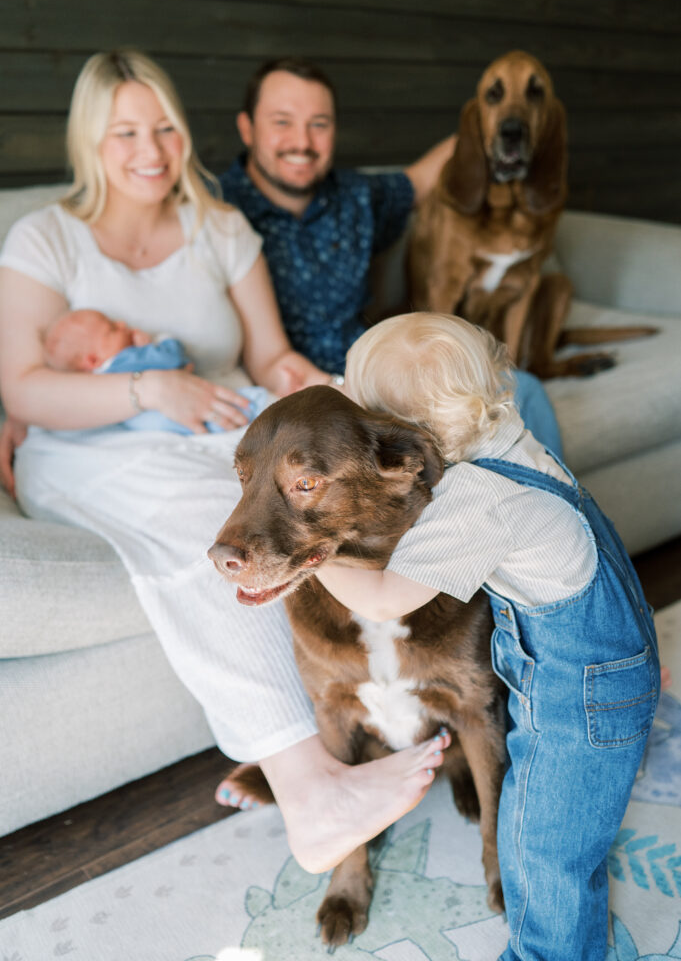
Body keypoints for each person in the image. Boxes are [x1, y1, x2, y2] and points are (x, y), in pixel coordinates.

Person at [0, 49, 451, 876]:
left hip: (217, 425)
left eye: (164, 126)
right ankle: (309, 791)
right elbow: (24, 391)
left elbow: (272, 357)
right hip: (85, 447)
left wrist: (337, 394)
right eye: (125, 131)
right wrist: (147, 393)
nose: (150, 148)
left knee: (309, 507)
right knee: (205, 528)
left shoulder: (219, 227)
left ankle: (430, 696)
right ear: (88, 141)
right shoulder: (44, 239)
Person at [314, 312, 661, 961]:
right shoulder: (506, 431)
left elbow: (385, 597)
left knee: (541, 846)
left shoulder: (479, 500)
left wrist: (309, 555)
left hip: (576, 702)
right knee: (569, 822)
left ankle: (548, 954)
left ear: (406, 436)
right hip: (612, 664)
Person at [218, 55, 563, 453]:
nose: (302, 142)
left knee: (525, 390)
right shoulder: (219, 215)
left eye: (319, 124)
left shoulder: (356, 197)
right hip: (296, 393)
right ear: (247, 128)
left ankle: (555, 506)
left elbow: (418, 180)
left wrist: (492, 130)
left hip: (379, 373)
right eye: (282, 122)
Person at [42, 308, 269, 431]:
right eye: (111, 329)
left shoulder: (98, 385)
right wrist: (158, 343)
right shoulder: (125, 361)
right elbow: (171, 359)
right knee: (251, 403)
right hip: (175, 416)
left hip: (156, 425)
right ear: (93, 360)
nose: (122, 324)